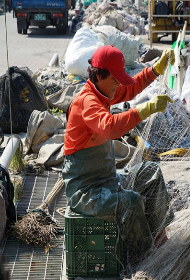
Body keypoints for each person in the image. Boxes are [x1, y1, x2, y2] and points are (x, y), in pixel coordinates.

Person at [62, 45, 175, 261]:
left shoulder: (104, 93)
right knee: (129, 202)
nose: (118, 85)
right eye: (115, 79)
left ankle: (159, 237)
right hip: (86, 192)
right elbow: (110, 127)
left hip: (107, 181)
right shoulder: (87, 102)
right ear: (99, 75)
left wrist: (155, 70)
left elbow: (131, 89)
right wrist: (145, 109)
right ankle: (146, 257)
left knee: (151, 172)